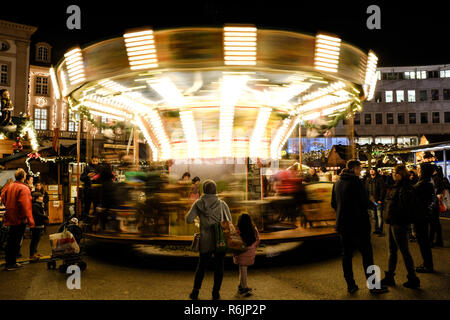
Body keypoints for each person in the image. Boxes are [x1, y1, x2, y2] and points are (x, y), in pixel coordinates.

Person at [331, 160, 388, 294]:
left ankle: (351, 285)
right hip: (359, 225)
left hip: (343, 225)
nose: (360, 171)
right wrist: (372, 205)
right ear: (354, 168)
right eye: (360, 168)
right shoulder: (356, 182)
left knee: (347, 255)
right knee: (367, 255)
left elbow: (333, 203)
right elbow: (364, 202)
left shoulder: (337, 183)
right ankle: (373, 286)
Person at [185, 179, 231, 300]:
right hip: (220, 240)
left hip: (205, 241)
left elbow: (188, 219)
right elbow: (228, 222)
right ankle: (216, 293)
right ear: (216, 190)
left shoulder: (198, 203)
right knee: (219, 267)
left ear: (204, 190)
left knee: (201, 266)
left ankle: (195, 291)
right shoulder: (222, 204)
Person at [381, 165, 420, 288]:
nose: (393, 174)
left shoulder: (405, 188)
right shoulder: (397, 186)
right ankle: (390, 276)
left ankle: (413, 278)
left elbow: (406, 208)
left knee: (404, 251)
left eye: (394, 172)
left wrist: (398, 218)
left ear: (400, 174)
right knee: (392, 251)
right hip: (393, 222)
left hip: (399, 223)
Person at [1, 168, 35, 271]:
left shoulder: (10, 186)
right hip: (20, 218)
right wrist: (30, 220)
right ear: (24, 177)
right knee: (16, 241)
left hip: (10, 216)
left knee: (11, 240)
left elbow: (2, 196)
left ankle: (10, 262)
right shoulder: (24, 188)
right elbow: (26, 206)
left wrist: (9, 205)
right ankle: (11, 263)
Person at [412, 163, 435, 273]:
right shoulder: (426, 182)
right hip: (424, 215)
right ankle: (427, 264)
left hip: (420, 216)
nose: (417, 170)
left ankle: (428, 265)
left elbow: (411, 193)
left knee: (423, 241)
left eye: (419, 168)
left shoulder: (423, 184)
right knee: (423, 241)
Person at [233, 213, 260, 297]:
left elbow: (234, 241)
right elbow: (258, 239)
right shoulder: (253, 229)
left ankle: (242, 287)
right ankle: (243, 287)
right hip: (250, 253)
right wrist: (254, 246)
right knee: (244, 271)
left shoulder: (237, 229)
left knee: (242, 270)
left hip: (240, 253)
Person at [365, 168, 386, 235]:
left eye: (373, 170)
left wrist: (380, 199)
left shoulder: (379, 179)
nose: (371, 171)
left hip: (378, 200)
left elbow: (383, 190)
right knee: (374, 216)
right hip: (371, 201)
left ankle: (380, 230)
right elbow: (366, 190)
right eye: (370, 170)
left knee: (379, 215)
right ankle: (376, 229)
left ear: (375, 171)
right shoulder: (368, 180)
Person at [29, 192, 48, 260]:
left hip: (39, 224)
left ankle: (35, 252)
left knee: (37, 239)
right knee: (35, 240)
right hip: (36, 225)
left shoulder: (39, 204)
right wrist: (45, 216)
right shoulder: (35, 205)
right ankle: (32, 254)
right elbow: (37, 214)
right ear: (37, 198)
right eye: (41, 196)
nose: (42, 198)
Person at [430, 166, 445, 247]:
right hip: (436, 202)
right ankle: (439, 241)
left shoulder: (435, 179)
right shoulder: (438, 178)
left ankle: (431, 241)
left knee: (433, 222)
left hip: (435, 202)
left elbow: (436, 190)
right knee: (436, 223)